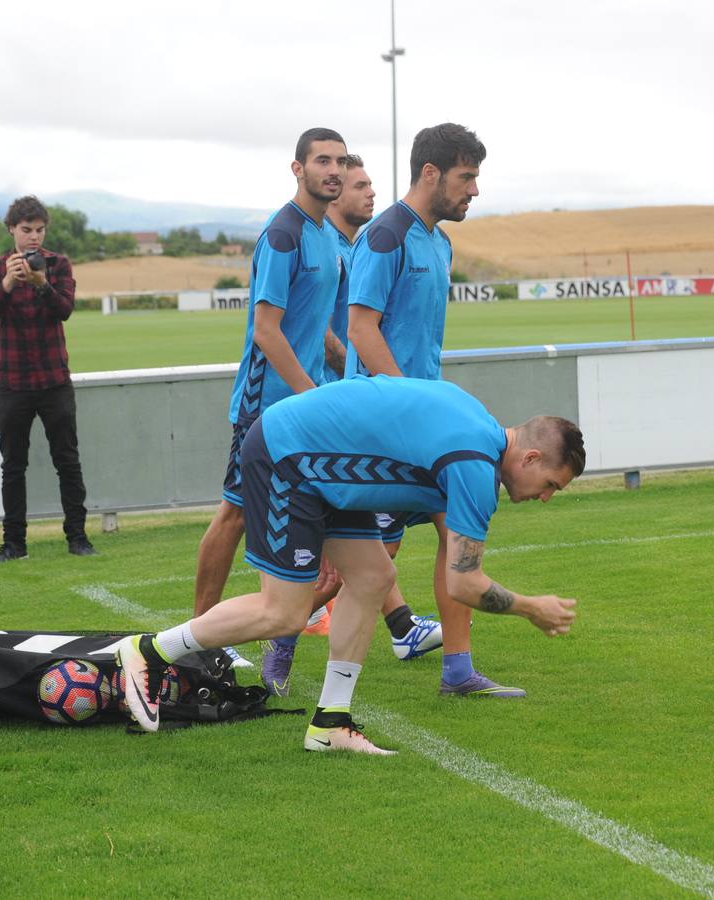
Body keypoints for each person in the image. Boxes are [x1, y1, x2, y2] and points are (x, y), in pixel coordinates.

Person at [117, 375, 583, 755]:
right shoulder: (474, 465)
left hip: (326, 468)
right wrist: (530, 608)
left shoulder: (479, 426)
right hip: (289, 457)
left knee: (374, 577)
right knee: (285, 612)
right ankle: (149, 651)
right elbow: (464, 585)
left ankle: (330, 723)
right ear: (531, 456)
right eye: (550, 485)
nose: (544, 497)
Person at [260, 155, 443, 698]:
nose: (364, 192)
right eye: (355, 183)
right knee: (355, 560)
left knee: (385, 553)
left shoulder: (413, 242)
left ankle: (422, 640)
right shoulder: (362, 241)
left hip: (398, 413)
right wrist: (344, 394)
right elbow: (327, 330)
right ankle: (268, 640)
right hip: (356, 421)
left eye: (364, 181)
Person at [345, 124, 515, 697]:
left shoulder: (439, 242)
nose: (474, 191)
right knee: (362, 562)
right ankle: (276, 646)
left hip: (423, 426)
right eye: (467, 178)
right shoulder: (385, 236)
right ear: (431, 174)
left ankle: (458, 672)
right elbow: (361, 330)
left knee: (457, 533)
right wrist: (409, 403)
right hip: (381, 425)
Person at [190, 128, 348, 667]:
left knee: (319, 514)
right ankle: (196, 641)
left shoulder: (326, 234)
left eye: (340, 162)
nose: (333, 170)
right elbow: (267, 330)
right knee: (234, 515)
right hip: (267, 406)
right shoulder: (283, 233)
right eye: (322, 160)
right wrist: (313, 397)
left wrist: (348, 373)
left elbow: (314, 324)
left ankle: (285, 632)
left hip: (307, 404)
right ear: (297, 168)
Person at [0, 196, 95, 563]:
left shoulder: (57, 264)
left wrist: (42, 283)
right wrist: (10, 283)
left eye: (39, 230)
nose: (33, 237)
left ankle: (78, 538)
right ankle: (14, 544)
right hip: (13, 382)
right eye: (26, 230)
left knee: (68, 460)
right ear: (11, 229)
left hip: (54, 380)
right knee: (13, 466)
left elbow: (65, 310)